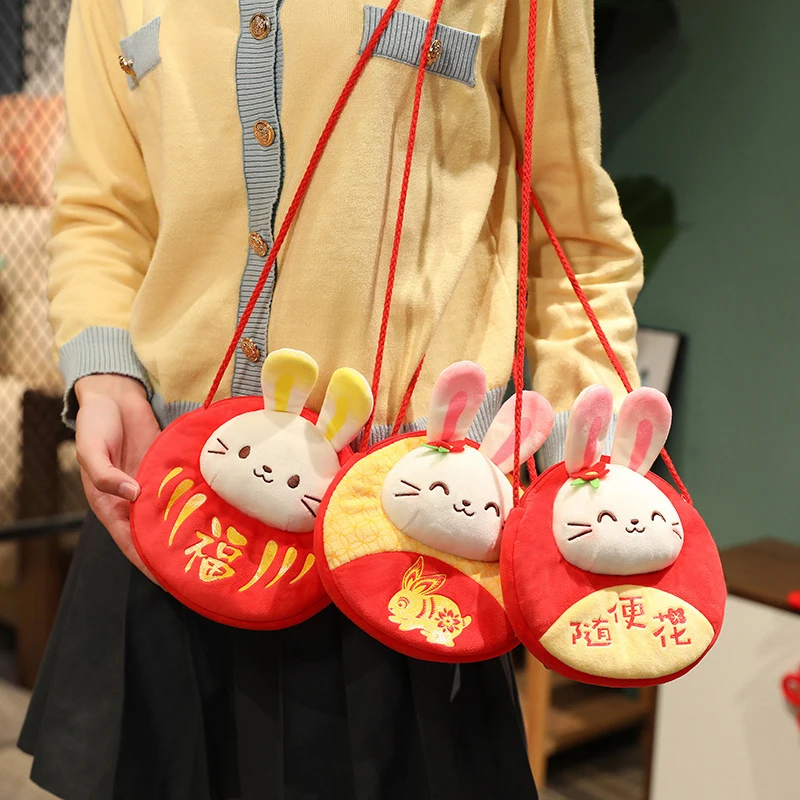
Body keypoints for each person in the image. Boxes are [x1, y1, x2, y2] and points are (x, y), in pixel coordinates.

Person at [19, 0, 643, 798]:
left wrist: (587, 476)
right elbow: (104, 209)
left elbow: (572, 233)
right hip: (166, 507)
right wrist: (103, 374)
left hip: (405, 537)